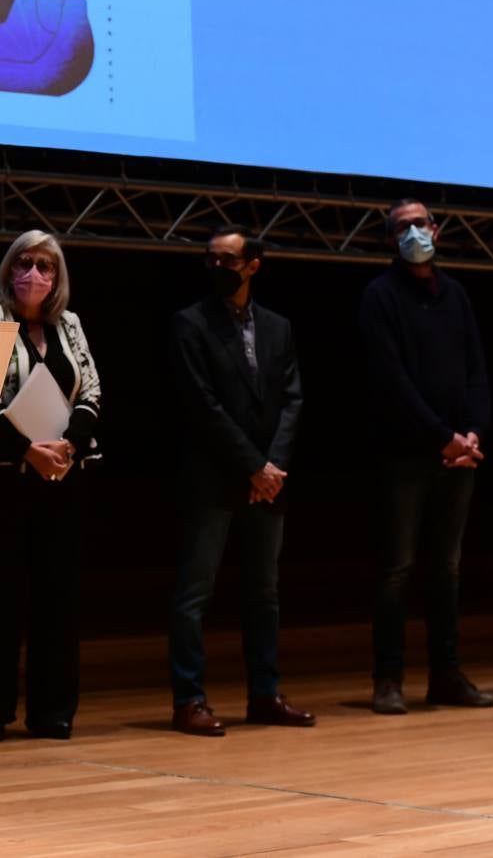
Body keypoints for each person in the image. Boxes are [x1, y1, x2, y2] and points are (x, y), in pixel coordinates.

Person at [166, 224, 314, 736]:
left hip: (266, 482)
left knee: (264, 595)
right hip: (213, 478)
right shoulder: (190, 323)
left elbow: (292, 400)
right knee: (194, 594)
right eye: (210, 259)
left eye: (227, 260)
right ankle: (189, 699)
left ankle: (265, 695)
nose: (216, 267)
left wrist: (272, 466)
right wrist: (254, 464)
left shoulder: (278, 327)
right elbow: (201, 405)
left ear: (253, 265)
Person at [0, 230, 101, 742]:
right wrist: (26, 450)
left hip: (62, 475)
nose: (33, 274)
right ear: (9, 269)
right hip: (3, 478)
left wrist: (68, 446)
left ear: (57, 276)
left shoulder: (70, 324)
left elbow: (91, 391)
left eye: (44, 265)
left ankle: (53, 711)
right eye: (24, 263)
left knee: (58, 596)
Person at [359, 198, 493, 715]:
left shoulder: (455, 294)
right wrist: (442, 437)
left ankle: (446, 676)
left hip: (458, 456)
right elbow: (390, 380)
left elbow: (477, 371)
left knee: (448, 570)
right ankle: (388, 679)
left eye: (420, 224)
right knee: (396, 569)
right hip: (405, 456)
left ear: (436, 230)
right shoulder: (380, 296)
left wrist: (474, 434)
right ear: (390, 240)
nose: (414, 232)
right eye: (403, 227)